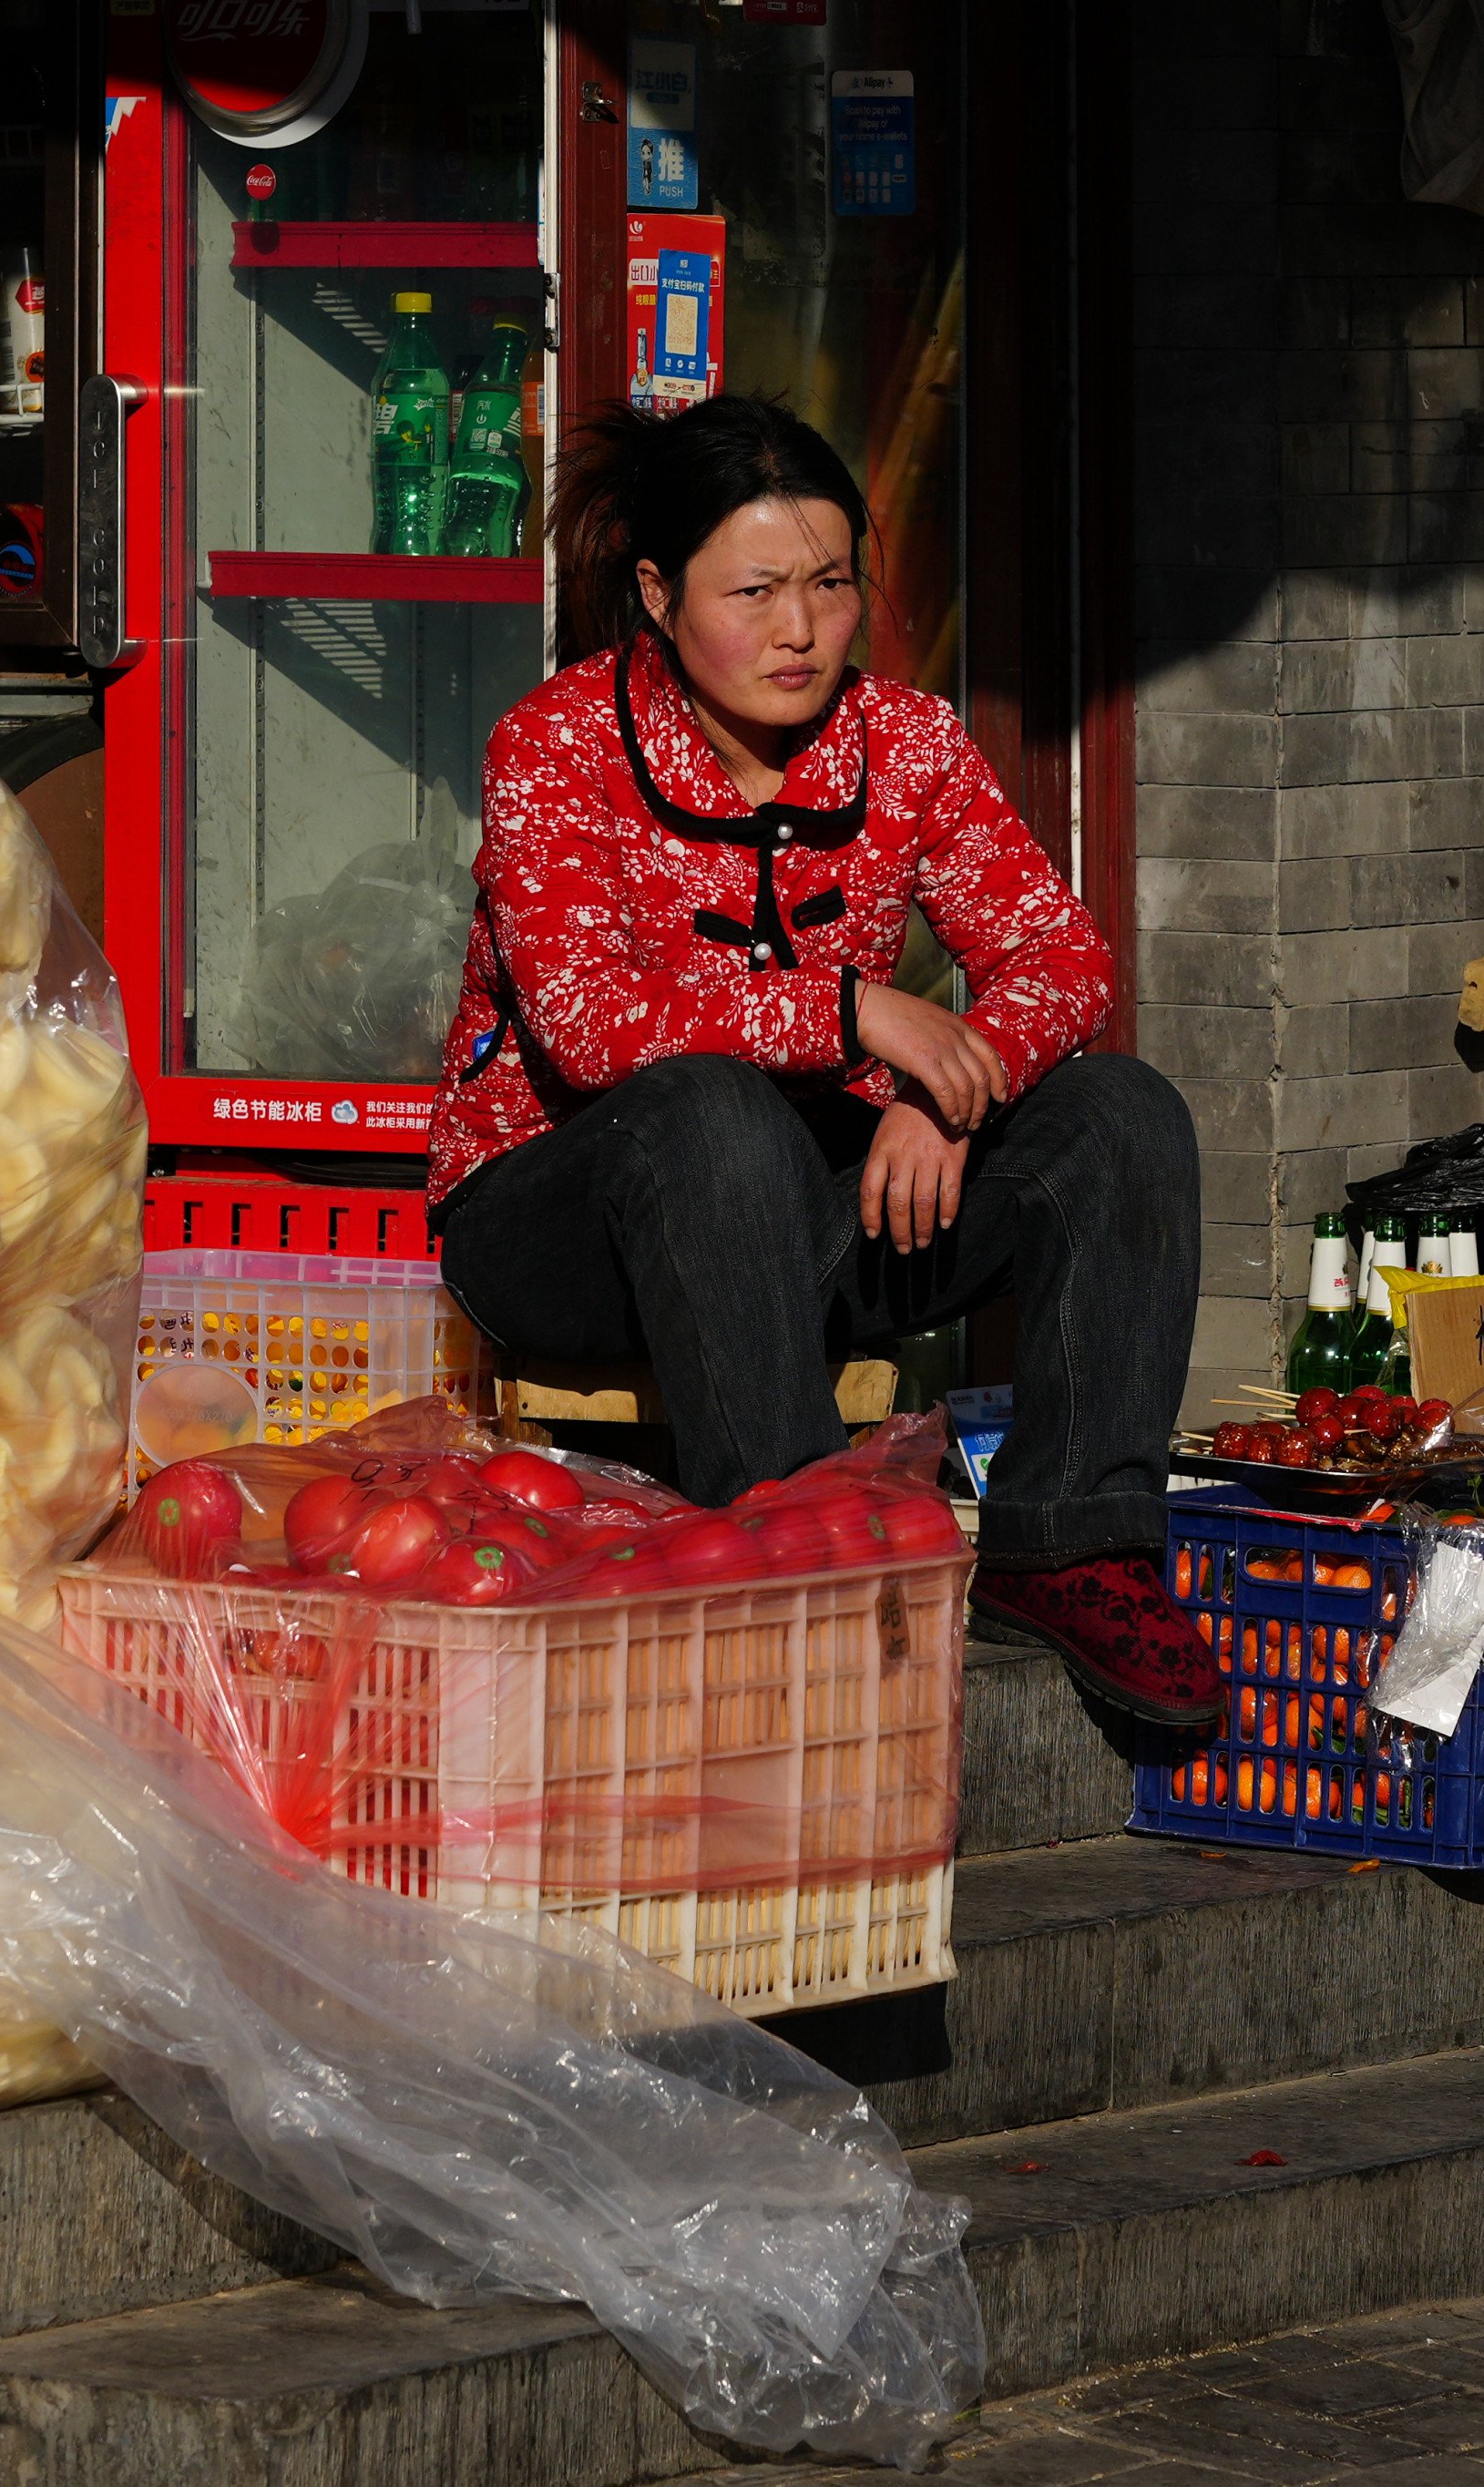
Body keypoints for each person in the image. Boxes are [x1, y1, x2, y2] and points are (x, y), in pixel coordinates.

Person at [429, 395, 1214, 1726]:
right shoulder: (555, 745)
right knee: (709, 1110)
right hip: (570, 1221)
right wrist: (855, 1013)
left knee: (1121, 1113)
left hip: (817, 1214)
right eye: (755, 591)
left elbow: (1061, 957)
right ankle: (795, 1558)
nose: (799, 630)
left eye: (830, 585)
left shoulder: (905, 744)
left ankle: (1073, 1541)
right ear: (659, 592)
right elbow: (587, 1019)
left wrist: (951, 1092)